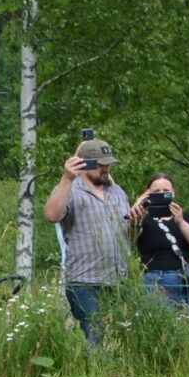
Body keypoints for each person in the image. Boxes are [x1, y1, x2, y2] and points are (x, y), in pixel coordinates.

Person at [43, 136, 133, 341]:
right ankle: (95, 371)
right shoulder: (69, 190)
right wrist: (67, 178)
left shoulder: (117, 192)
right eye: (100, 165)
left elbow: (129, 235)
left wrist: (137, 222)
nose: (106, 169)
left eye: (108, 165)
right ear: (85, 164)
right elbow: (51, 215)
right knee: (95, 333)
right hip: (85, 280)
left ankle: (116, 373)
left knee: (121, 337)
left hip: (119, 279)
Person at [131, 173, 189, 314]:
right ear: (148, 194)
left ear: (173, 193)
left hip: (185, 280)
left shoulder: (185, 217)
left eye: (166, 191)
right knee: (164, 330)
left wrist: (180, 222)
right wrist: (137, 211)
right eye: (156, 192)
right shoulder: (143, 219)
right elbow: (128, 241)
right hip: (156, 279)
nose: (161, 194)